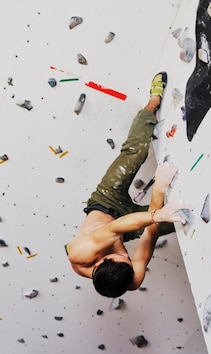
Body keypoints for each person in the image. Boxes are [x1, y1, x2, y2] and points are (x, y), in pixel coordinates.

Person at [66, 72, 190, 298]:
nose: (125, 255)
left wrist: (158, 206)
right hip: (130, 224)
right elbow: (149, 236)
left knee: (136, 153)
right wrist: (159, 192)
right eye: (127, 257)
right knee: (183, 216)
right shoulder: (131, 278)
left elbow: (115, 229)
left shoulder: (80, 253)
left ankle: (152, 102)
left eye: (121, 255)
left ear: (100, 262)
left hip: (106, 201)